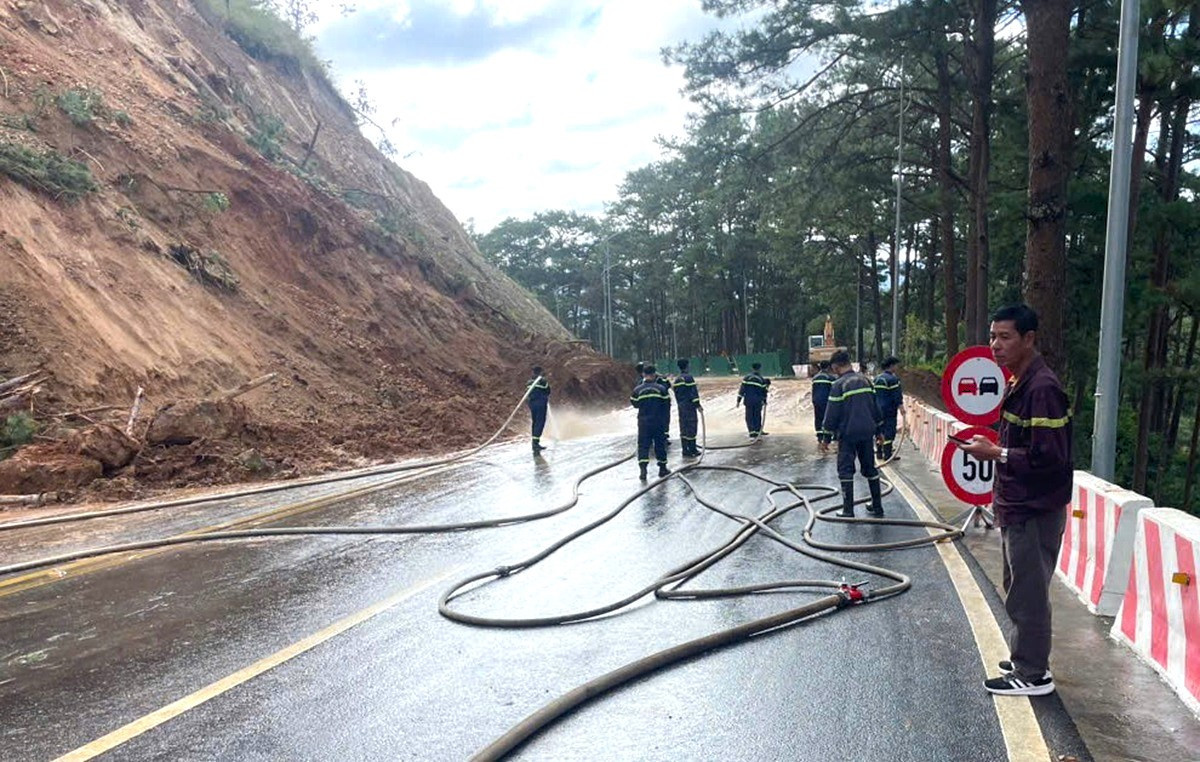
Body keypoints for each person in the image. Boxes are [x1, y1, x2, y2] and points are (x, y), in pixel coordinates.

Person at [958, 304, 1072, 697]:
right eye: (992, 336)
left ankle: (1033, 672)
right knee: (1018, 585)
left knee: (1029, 592)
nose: (995, 345)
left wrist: (997, 454)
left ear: (1029, 339)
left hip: (1035, 508)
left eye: (1005, 337)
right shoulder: (1018, 382)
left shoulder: (1042, 388)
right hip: (1015, 504)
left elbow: (1051, 457)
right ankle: (1025, 654)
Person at [820, 350, 883, 517]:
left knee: (846, 469)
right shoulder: (866, 381)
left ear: (835, 366)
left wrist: (825, 437)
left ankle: (848, 510)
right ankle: (877, 506)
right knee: (870, 468)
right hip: (867, 432)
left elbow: (832, 414)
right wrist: (879, 431)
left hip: (848, 434)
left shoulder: (839, 385)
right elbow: (875, 409)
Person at [630, 364, 671, 480]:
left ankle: (643, 470)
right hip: (658, 422)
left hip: (643, 422)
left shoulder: (637, 390)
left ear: (643, 374)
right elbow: (666, 405)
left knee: (643, 446)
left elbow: (635, 404)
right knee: (659, 445)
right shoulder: (661, 389)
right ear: (654, 374)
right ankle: (662, 469)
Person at [873, 356, 904, 460]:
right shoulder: (893, 379)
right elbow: (897, 396)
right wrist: (901, 407)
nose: (897, 367)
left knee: (879, 430)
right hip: (889, 410)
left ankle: (879, 452)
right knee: (889, 431)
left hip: (877, 410)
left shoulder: (877, 379)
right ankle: (887, 454)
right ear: (891, 366)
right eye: (896, 365)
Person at [672, 358, 702, 457]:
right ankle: (692, 449)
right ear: (687, 366)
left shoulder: (677, 380)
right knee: (691, 427)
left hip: (681, 407)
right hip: (689, 407)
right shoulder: (688, 378)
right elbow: (693, 393)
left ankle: (685, 450)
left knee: (683, 427)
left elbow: (676, 394)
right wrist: (698, 405)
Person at [736, 361, 771, 438]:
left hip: (748, 400)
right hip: (758, 401)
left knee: (749, 416)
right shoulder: (761, 379)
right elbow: (764, 392)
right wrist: (765, 401)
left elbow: (742, 390)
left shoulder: (746, 378)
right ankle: (757, 431)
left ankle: (752, 432)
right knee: (757, 416)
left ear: (752, 368)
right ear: (759, 369)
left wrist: (738, 401)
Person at [811, 360, 837, 446]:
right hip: (826, 401)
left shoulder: (815, 378)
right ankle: (828, 435)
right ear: (829, 367)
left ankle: (819, 436)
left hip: (816, 401)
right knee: (828, 417)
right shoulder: (830, 378)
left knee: (818, 417)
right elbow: (834, 391)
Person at [527, 366, 550, 455]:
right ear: (540, 372)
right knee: (540, 423)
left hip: (532, 404)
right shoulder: (542, 381)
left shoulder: (529, 382)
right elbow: (548, 391)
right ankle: (535, 444)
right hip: (540, 404)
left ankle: (534, 442)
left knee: (535, 422)